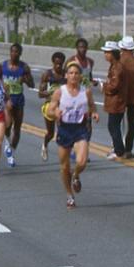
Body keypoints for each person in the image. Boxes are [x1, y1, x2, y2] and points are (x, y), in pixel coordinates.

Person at [47, 62, 99, 208]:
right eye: (71, 73)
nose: (74, 76)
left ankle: (75, 175)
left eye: (76, 73)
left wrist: (94, 113)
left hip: (80, 129)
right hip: (64, 130)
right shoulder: (60, 91)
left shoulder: (86, 91)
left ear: (80, 76)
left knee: (81, 161)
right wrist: (55, 112)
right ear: (66, 76)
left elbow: (92, 105)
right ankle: (70, 196)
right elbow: (50, 109)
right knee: (64, 167)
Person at [1, 43, 34, 167]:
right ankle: (7, 141)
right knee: (8, 125)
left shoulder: (24, 67)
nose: (14, 54)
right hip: (6, 100)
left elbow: (32, 85)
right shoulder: (3, 66)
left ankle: (11, 154)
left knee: (17, 128)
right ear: (10, 52)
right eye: (12, 51)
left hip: (19, 99)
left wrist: (25, 80)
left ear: (20, 53)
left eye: (17, 52)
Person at [38, 52, 67, 161]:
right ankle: (45, 145)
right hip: (49, 105)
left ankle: (65, 153)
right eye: (56, 64)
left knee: (63, 130)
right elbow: (40, 94)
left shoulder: (66, 75)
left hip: (62, 106)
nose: (58, 66)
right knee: (50, 133)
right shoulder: (47, 75)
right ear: (53, 63)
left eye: (60, 64)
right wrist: (52, 93)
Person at [100, 41, 126, 160]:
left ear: (114, 53)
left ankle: (119, 150)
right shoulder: (114, 66)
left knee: (113, 126)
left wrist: (104, 87)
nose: (105, 54)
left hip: (117, 102)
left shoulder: (117, 67)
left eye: (107, 52)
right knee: (113, 126)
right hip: (115, 101)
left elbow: (114, 86)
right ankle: (118, 148)